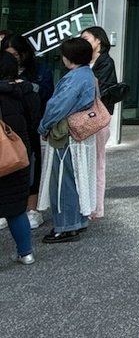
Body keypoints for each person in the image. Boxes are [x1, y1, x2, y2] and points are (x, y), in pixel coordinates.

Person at [37, 37, 99, 243]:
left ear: (68, 57)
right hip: (82, 132)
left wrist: (43, 125)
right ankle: (77, 222)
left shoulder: (73, 78)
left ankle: (65, 227)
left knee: (63, 181)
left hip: (67, 134)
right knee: (76, 178)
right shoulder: (87, 74)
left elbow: (58, 106)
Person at [0, 33, 52, 230]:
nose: (13, 58)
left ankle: (32, 209)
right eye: (8, 55)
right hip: (6, 134)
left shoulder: (37, 73)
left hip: (28, 133)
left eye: (15, 54)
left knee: (29, 169)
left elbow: (45, 96)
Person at [0, 52, 41, 264]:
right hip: (19, 155)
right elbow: (35, 120)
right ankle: (26, 253)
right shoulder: (27, 90)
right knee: (16, 209)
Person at [81, 25, 117, 219]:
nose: (83, 42)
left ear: (98, 41)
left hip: (98, 118)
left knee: (97, 162)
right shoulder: (84, 62)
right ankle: (85, 203)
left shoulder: (105, 63)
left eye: (86, 38)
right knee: (85, 162)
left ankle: (96, 207)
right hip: (83, 119)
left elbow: (99, 91)